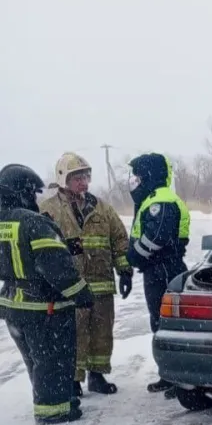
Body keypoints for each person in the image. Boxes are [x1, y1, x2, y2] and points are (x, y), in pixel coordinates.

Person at [0, 163, 95, 425]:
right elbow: (55, 266)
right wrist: (81, 294)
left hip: (13, 305)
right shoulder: (33, 222)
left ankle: (48, 400)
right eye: (32, 194)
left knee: (36, 360)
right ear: (21, 192)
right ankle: (55, 410)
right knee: (53, 360)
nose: (34, 199)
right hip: (45, 307)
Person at [40, 153, 133, 397]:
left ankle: (97, 375)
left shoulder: (102, 207)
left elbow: (119, 239)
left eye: (85, 176)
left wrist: (124, 270)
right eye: (77, 177)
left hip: (101, 283)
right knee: (74, 333)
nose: (83, 182)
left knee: (102, 331)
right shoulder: (48, 210)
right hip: (70, 286)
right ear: (63, 179)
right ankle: (73, 379)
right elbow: (41, 247)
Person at [126, 153, 190, 394]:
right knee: (160, 322)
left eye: (139, 176)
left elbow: (157, 237)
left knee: (169, 324)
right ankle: (169, 373)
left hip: (164, 269)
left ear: (150, 176)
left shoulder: (161, 201)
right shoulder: (154, 198)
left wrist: (134, 255)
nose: (135, 181)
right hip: (157, 269)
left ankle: (181, 377)